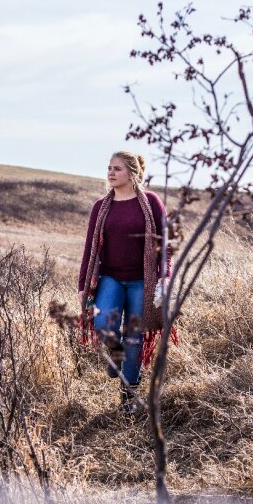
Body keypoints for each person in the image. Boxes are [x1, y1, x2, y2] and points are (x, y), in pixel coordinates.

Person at [77, 150, 173, 414]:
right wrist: (83, 285)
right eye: (109, 168)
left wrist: (165, 277)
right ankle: (116, 356)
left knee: (135, 338)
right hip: (110, 278)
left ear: (132, 173)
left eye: (116, 168)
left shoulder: (151, 202)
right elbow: (89, 249)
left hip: (143, 281)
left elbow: (164, 244)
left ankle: (128, 395)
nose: (110, 172)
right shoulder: (101, 206)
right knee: (103, 325)